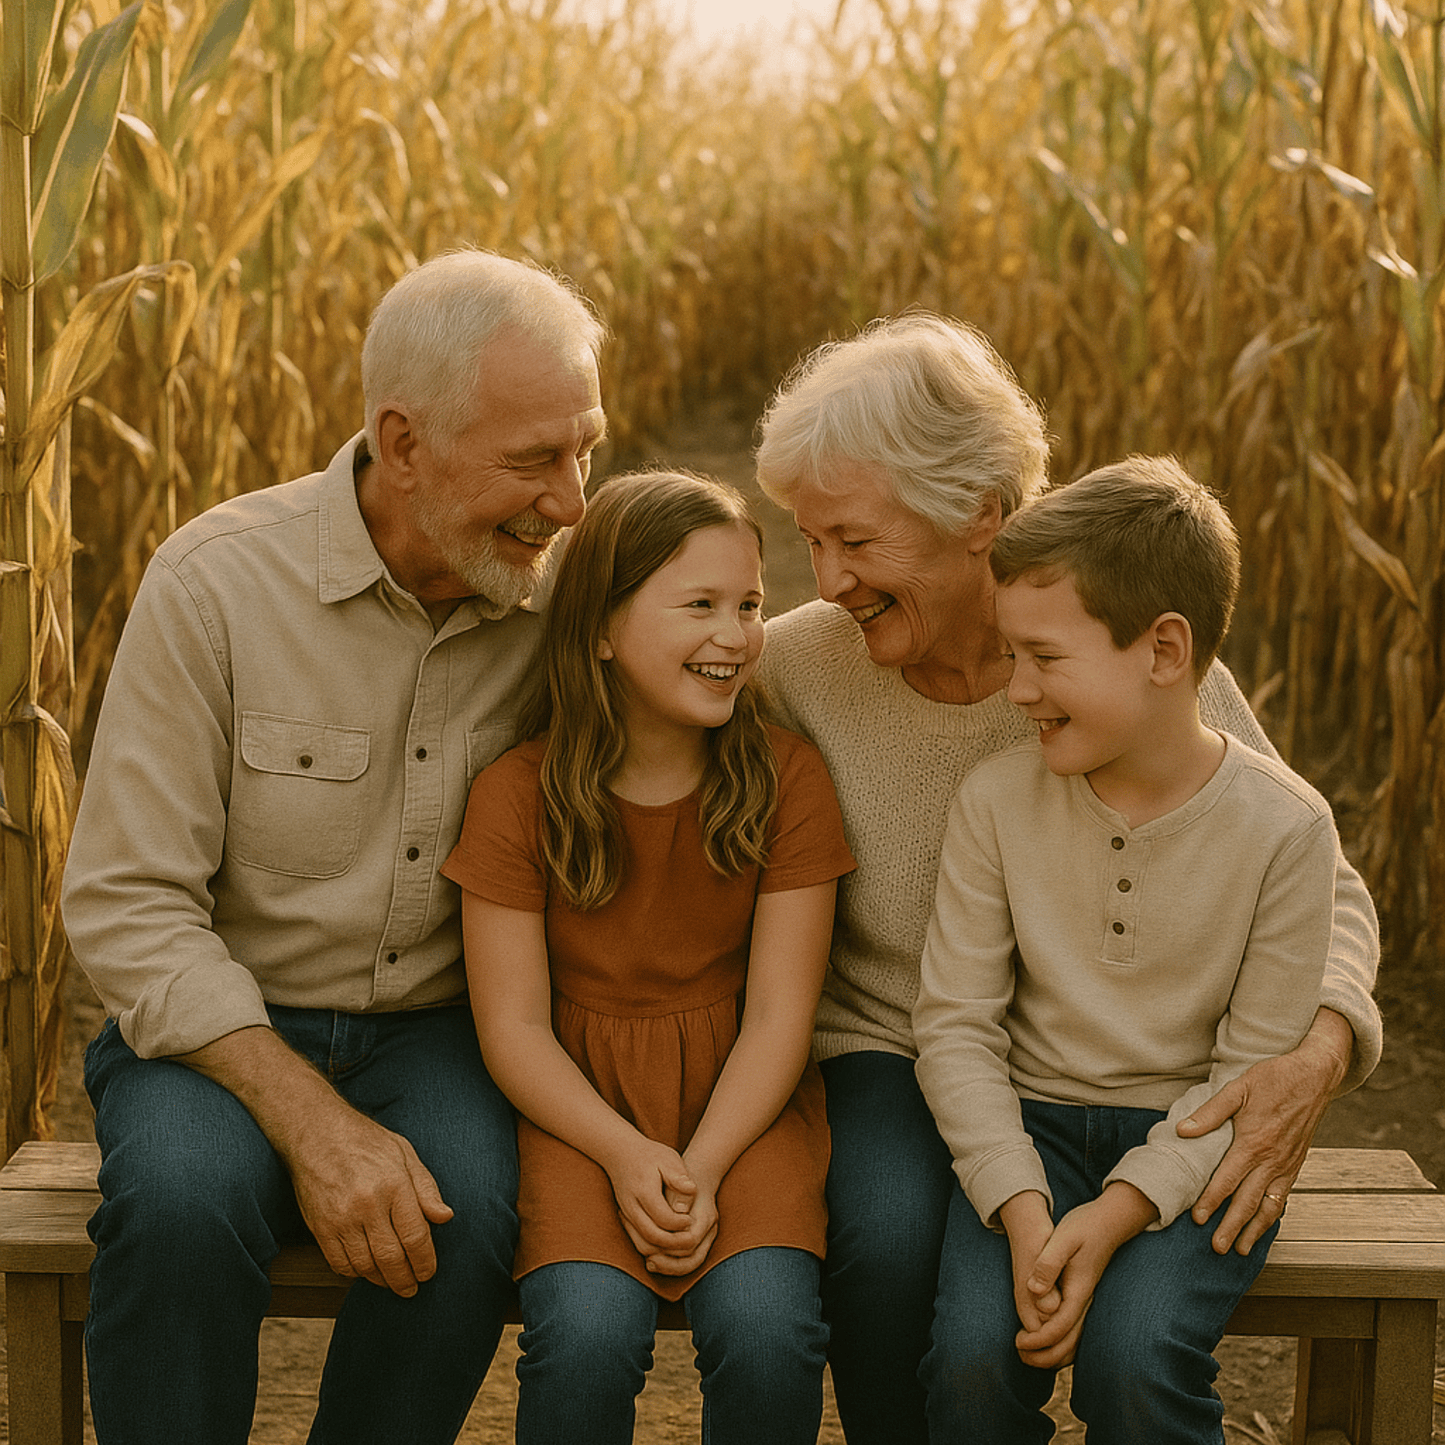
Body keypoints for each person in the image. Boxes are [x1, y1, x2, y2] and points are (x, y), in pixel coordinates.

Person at [751, 313, 1382, 1444]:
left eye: (853, 538)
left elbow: (1312, 875)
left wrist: (1317, 1046)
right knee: (887, 1226)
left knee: (1119, 1345)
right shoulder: (796, 662)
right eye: (809, 540)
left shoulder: (1120, 657)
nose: (828, 577)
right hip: (893, 1040)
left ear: (978, 516)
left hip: (1101, 1066)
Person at [60, 248, 608, 1444]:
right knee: (182, 1206)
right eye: (531, 460)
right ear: (402, 444)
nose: (568, 501)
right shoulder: (214, 586)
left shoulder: (566, 601)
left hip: (442, 1029)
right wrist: (316, 1123)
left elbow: (729, 660)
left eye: (584, 451)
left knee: (465, 1206)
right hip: (215, 1033)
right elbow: (127, 902)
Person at [912, 455, 1343, 1441]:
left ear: (1161, 649)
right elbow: (954, 1026)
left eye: (1043, 656)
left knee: (1134, 1356)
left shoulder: (1285, 828)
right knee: (972, 1357)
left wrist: (1113, 1214)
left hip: (1198, 1141)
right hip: (1025, 1134)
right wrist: (1024, 1207)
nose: (1014, 687)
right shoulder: (996, 801)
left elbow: (1248, 1070)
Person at [441, 470, 853, 1445]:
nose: (735, 634)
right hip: (577, 1107)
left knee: (766, 1331)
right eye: (698, 605)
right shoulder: (517, 792)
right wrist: (625, 1152)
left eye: (749, 604)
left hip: (743, 1105)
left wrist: (702, 1164)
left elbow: (779, 1016)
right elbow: (512, 1025)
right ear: (597, 628)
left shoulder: (786, 778)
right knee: (583, 1336)